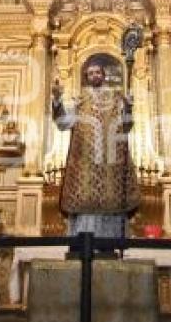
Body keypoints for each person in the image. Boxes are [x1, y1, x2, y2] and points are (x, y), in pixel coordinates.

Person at [51, 61, 139, 239]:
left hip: (110, 165)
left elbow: (126, 126)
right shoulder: (80, 101)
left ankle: (111, 244)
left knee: (111, 204)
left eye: (97, 72)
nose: (94, 76)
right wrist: (57, 102)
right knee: (86, 205)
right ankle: (83, 245)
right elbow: (62, 124)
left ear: (103, 75)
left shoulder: (116, 99)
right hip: (86, 164)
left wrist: (128, 107)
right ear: (86, 77)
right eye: (90, 73)